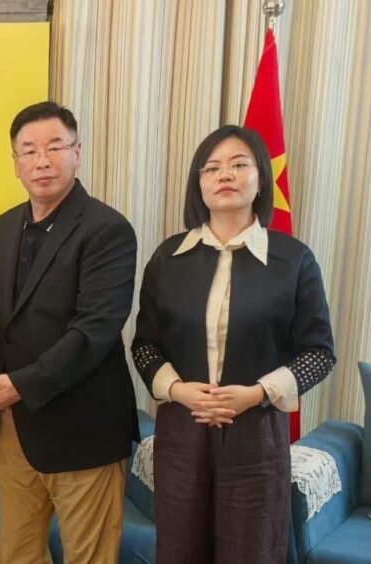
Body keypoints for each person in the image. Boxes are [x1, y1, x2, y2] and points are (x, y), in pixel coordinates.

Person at [131, 124, 334, 563]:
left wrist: (256, 394)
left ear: (261, 179)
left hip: (255, 435)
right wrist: (178, 390)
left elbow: (319, 353)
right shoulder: (168, 258)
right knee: (180, 550)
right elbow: (145, 345)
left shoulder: (293, 259)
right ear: (199, 183)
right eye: (212, 168)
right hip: (183, 430)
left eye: (239, 165)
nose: (225, 175)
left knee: (252, 551)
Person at [0, 100, 139, 564]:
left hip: (83, 429)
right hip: (10, 431)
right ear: (15, 162)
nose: (42, 161)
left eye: (55, 147)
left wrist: (21, 384)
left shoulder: (107, 229)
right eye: (29, 151)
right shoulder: (4, 227)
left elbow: (95, 331)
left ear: (77, 153)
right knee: (16, 555)